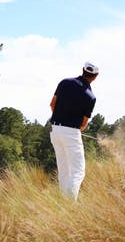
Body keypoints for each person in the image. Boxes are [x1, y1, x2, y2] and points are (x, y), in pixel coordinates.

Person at [49, 61, 99, 201]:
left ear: (83, 70)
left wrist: (61, 119)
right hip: (71, 133)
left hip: (55, 130)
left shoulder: (64, 82)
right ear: (95, 76)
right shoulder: (91, 97)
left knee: (64, 170)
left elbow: (52, 104)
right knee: (78, 172)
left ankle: (64, 201)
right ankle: (70, 204)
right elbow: (83, 123)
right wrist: (74, 130)